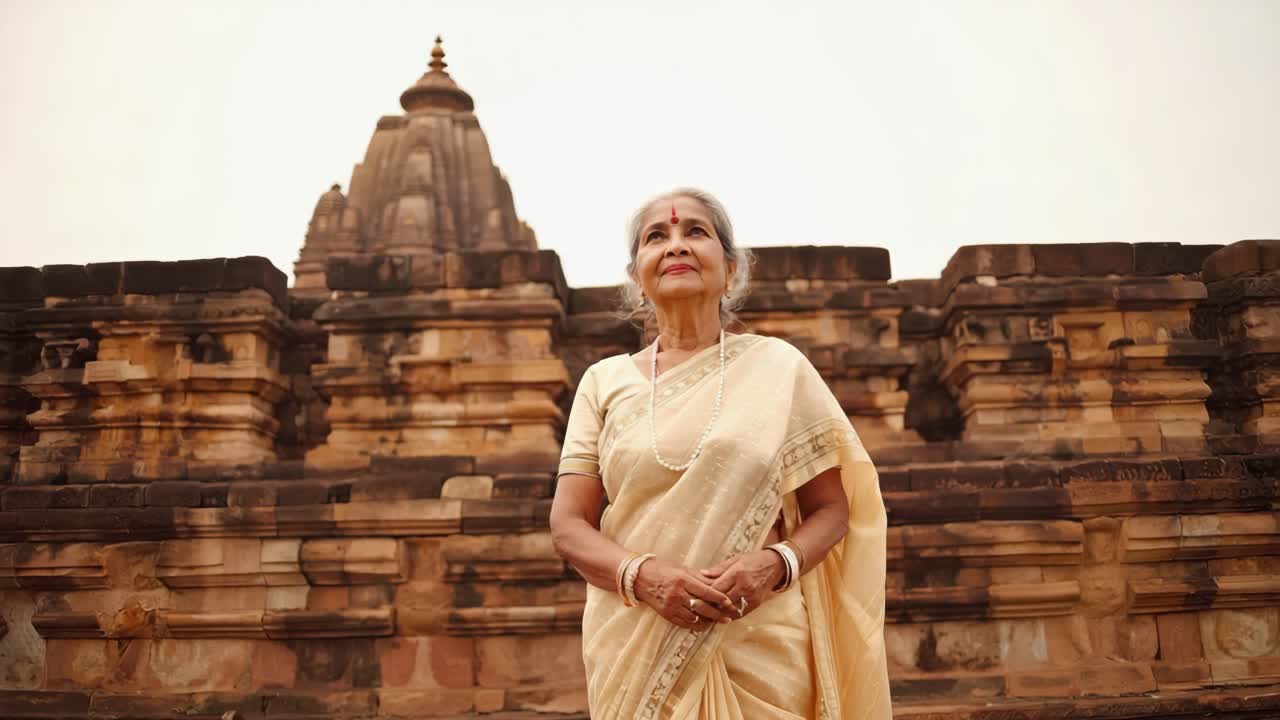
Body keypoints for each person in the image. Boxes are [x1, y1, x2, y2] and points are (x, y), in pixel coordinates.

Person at [549, 188, 892, 719]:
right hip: (637, 640)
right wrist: (645, 577)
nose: (676, 245)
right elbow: (569, 525)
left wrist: (774, 565)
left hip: (758, 642)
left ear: (730, 270)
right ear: (637, 275)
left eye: (696, 232)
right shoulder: (603, 383)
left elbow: (832, 510)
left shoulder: (780, 369)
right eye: (656, 237)